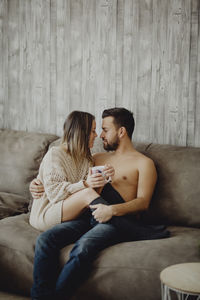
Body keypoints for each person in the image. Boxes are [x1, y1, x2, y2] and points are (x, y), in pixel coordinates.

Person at [30, 108, 169, 300]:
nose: (100, 136)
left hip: (115, 218)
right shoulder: (95, 158)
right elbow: (70, 182)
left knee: (83, 247)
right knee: (45, 239)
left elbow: (143, 203)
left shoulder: (144, 163)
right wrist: (38, 184)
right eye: (99, 130)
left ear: (121, 132)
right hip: (89, 214)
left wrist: (111, 210)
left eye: (105, 130)